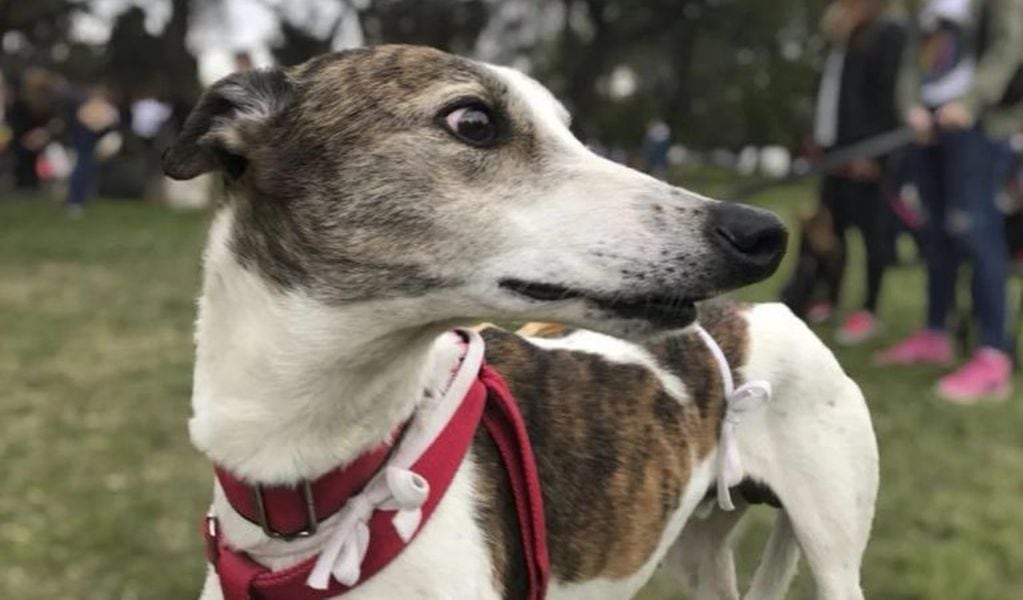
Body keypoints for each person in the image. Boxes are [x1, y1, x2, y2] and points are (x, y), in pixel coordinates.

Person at [877, 0, 1023, 403]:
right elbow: (914, 56)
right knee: (936, 232)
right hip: (929, 125)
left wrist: (971, 103)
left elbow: (1009, 46)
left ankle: (994, 354)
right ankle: (935, 333)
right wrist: (910, 107)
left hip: (978, 125)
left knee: (976, 230)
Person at [788, 0, 906, 342]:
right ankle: (828, 297)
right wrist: (819, 138)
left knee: (873, 234)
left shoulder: (889, 29)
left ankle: (869, 310)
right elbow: (831, 93)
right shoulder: (843, 33)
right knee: (830, 229)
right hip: (835, 150)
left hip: (865, 152)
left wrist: (874, 153)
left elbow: (888, 95)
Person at [66, 85, 118, 217]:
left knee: (87, 171)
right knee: (82, 170)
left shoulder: (97, 107)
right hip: (85, 146)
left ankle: (81, 199)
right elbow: (95, 124)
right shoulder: (89, 108)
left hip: (88, 146)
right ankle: (75, 201)